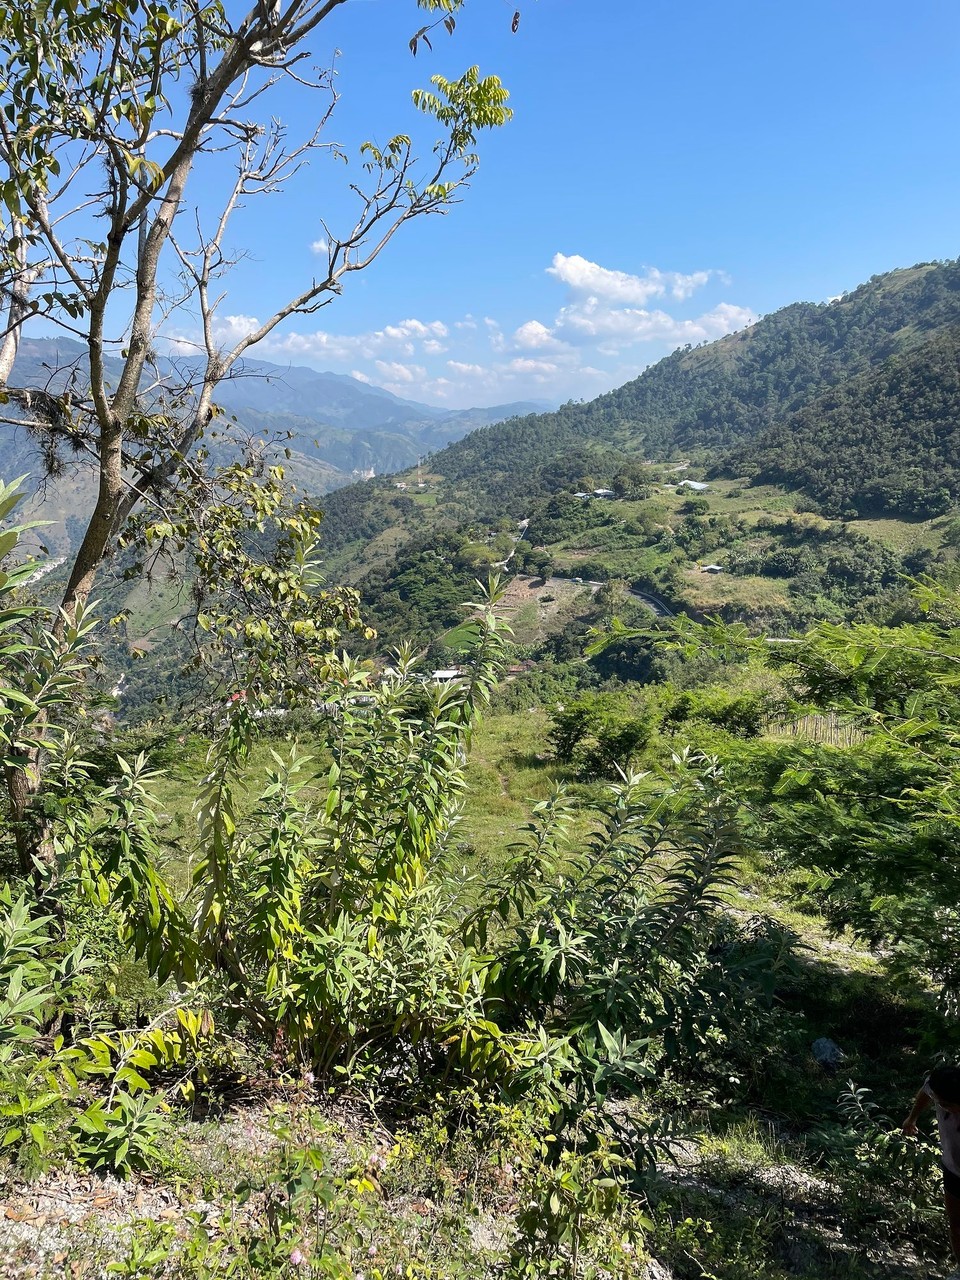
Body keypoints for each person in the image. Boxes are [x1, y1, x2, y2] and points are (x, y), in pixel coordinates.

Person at [902, 1063, 960, 1272]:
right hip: (953, 1170)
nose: (941, 1106)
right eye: (940, 1102)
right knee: (956, 1225)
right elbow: (927, 1091)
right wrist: (912, 1118)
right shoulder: (938, 1087)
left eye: (947, 1104)